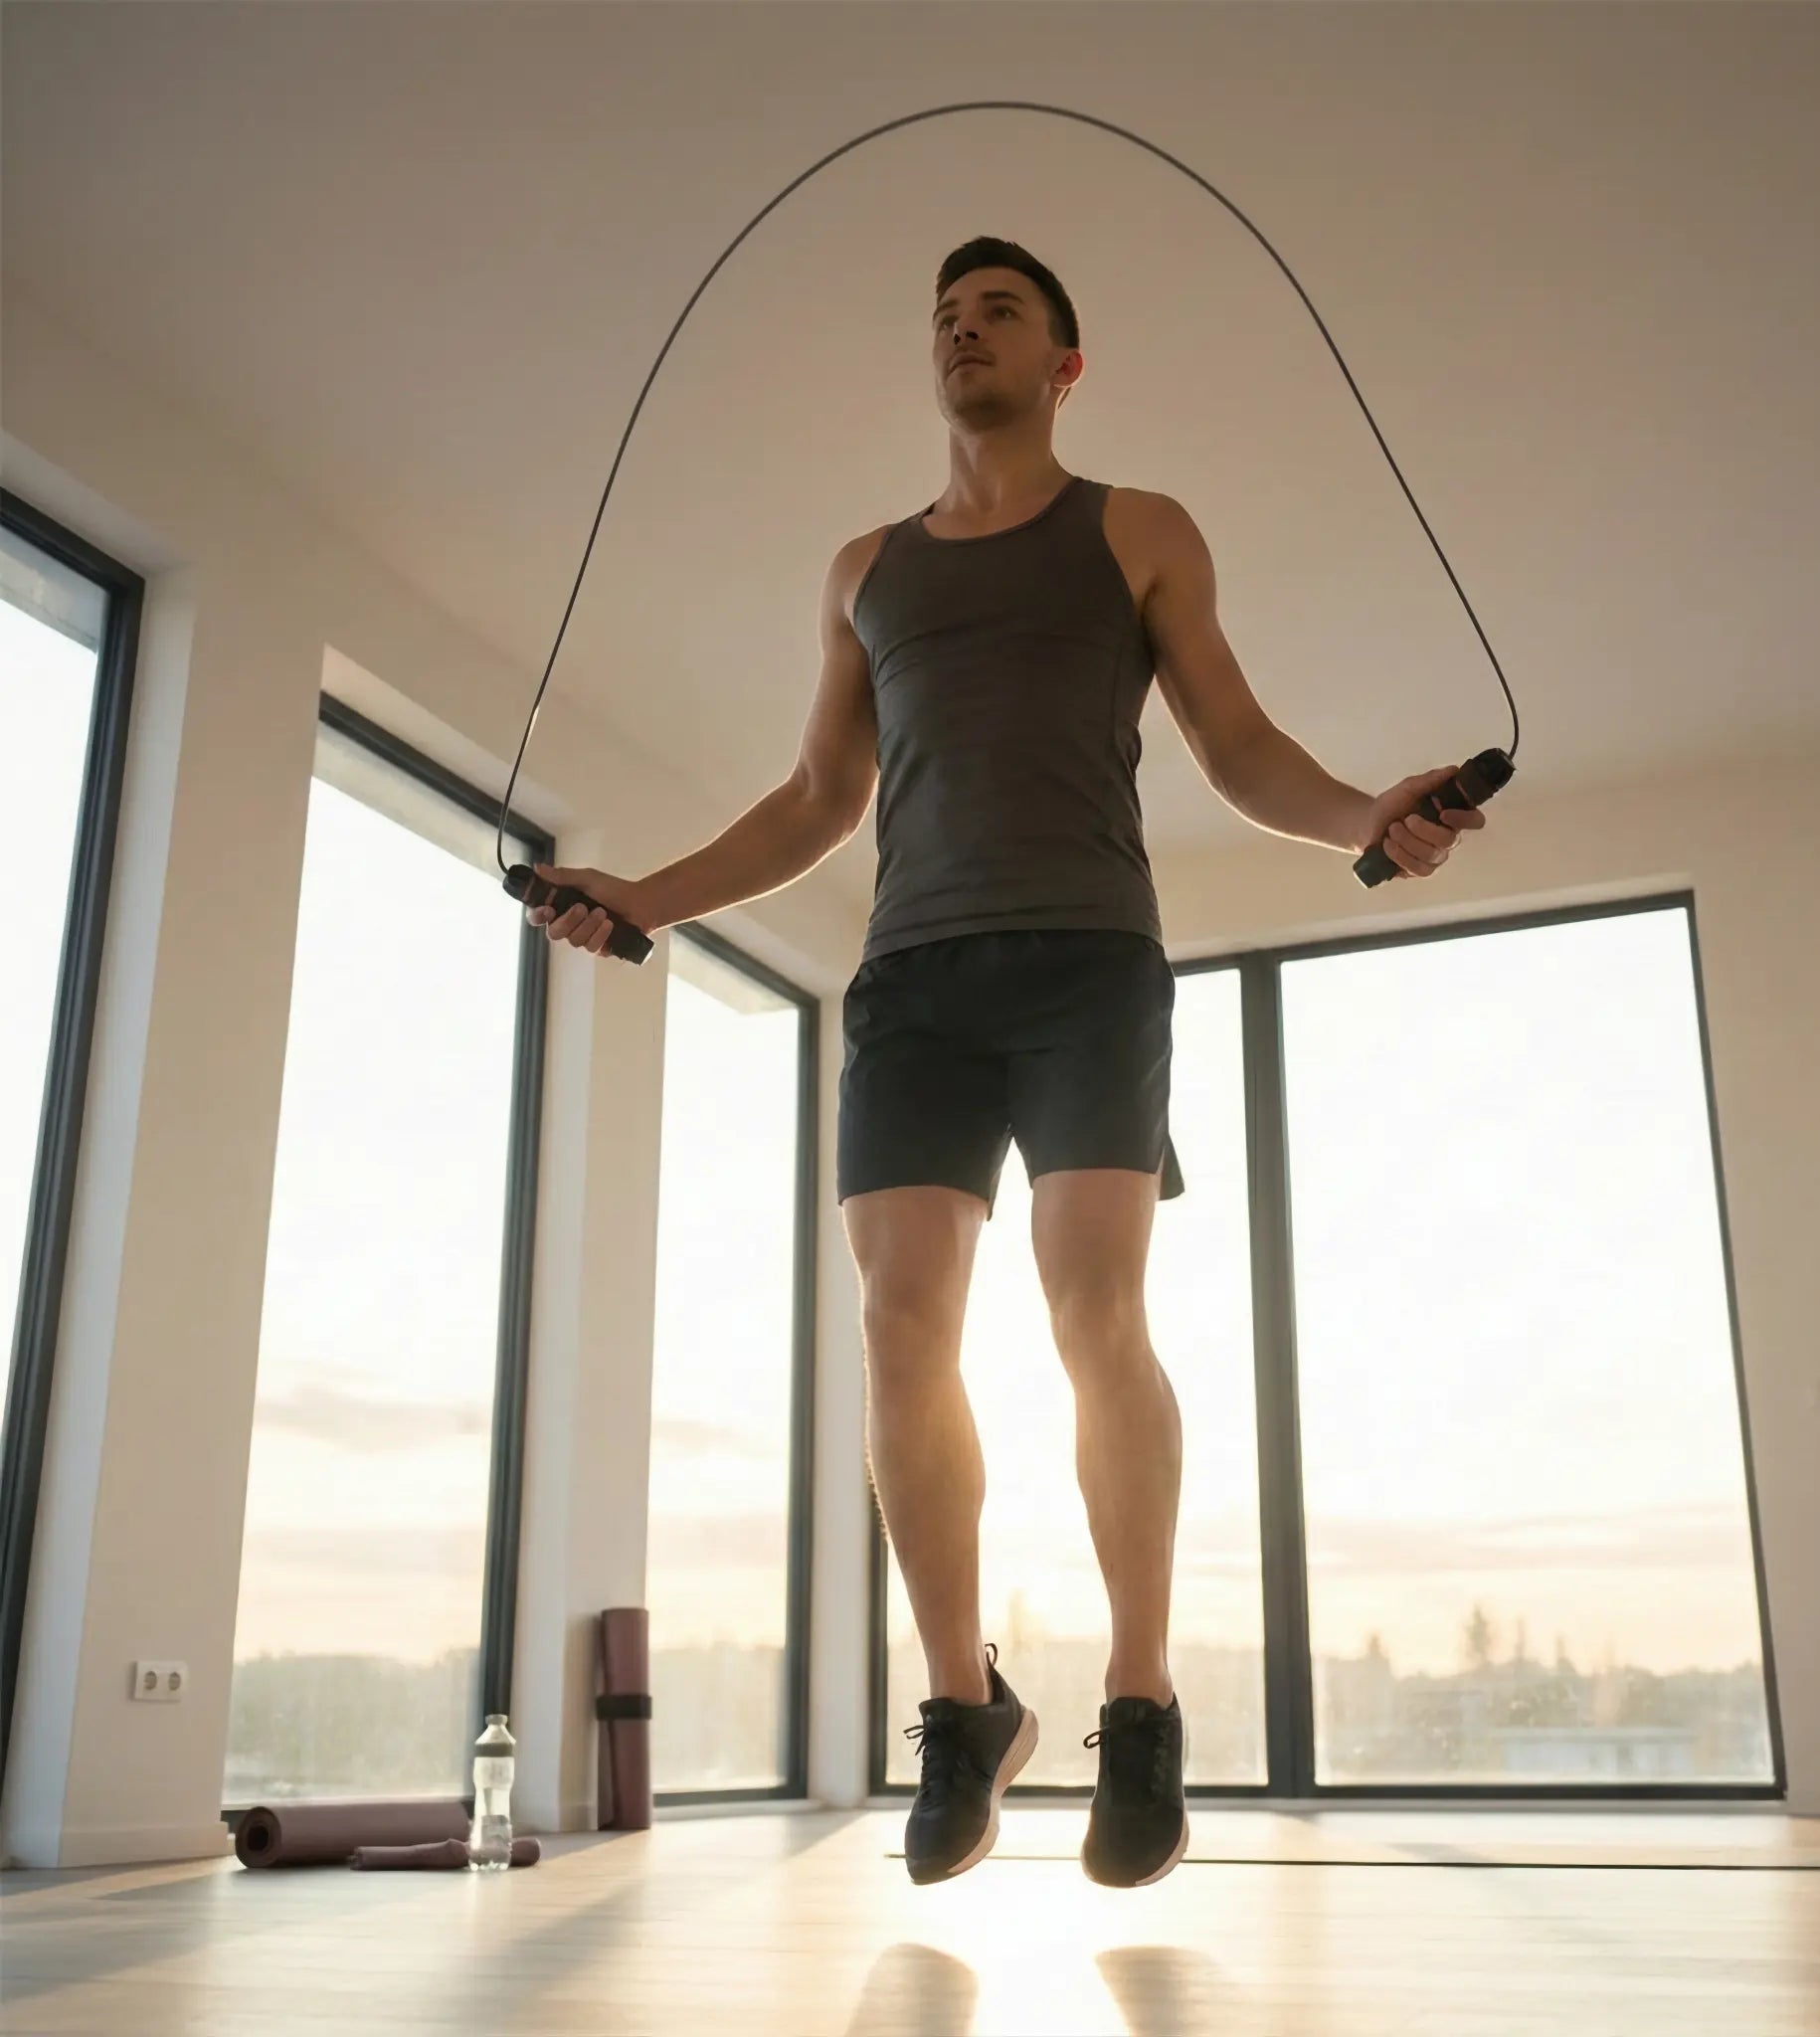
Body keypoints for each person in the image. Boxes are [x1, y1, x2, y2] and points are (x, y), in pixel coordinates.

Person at [525, 236, 1485, 1887]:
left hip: (1087, 966)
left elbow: (1237, 745)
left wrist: (1369, 826)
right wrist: (645, 901)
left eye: (1003, 314)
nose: (965, 332)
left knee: (1091, 1307)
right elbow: (817, 802)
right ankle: (964, 1706)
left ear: (1066, 365)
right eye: (946, 317)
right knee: (903, 1327)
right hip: (912, 985)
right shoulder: (864, 571)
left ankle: (1139, 1702)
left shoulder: (1137, 529)